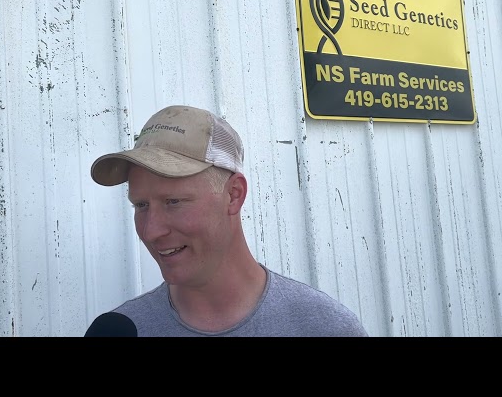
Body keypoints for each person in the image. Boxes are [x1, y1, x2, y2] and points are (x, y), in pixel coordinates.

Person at [88, 104, 368, 337]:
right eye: (141, 205)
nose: (151, 231)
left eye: (173, 202)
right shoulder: (122, 330)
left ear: (234, 195)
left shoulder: (323, 328)